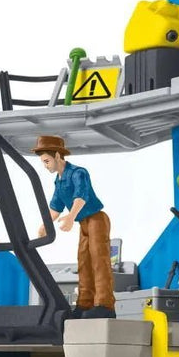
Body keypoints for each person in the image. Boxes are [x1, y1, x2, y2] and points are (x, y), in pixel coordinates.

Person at [32, 134, 116, 320]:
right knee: (83, 262)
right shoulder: (59, 180)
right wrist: (45, 225)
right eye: (43, 162)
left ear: (57, 156)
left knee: (99, 261)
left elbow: (81, 196)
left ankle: (105, 304)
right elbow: (56, 207)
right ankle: (85, 304)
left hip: (96, 219)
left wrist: (71, 217)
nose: (45, 166)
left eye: (46, 161)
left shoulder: (78, 173)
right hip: (83, 223)